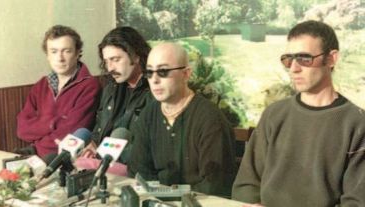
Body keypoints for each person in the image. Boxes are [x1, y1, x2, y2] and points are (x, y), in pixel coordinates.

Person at [232, 20, 365, 206]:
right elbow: (246, 184)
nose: (293, 68)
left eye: (304, 58)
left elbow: (356, 202)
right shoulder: (274, 115)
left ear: (331, 59)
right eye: (288, 59)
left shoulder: (357, 124)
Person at [128, 42, 237, 197]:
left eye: (163, 71)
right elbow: (138, 170)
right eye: (149, 72)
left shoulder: (210, 119)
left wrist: (171, 197)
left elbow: (215, 185)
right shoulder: (149, 114)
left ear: (186, 74)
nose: (154, 80)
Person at [16, 25, 101, 158]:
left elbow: (71, 133)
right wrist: (53, 123)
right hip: (35, 157)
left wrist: (37, 141)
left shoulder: (90, 86)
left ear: (78, 53)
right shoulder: (40, 85)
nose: (60, 58)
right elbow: (22, 130)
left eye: (66, 51)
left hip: (67, 161)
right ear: (47, 55)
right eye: (54, 51)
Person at [80, 26, 152, 164]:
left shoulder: (155, 91)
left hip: (132, 171)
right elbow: (99, 126)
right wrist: (94, 145)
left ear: (136, 56)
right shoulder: (110, 89)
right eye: (106, 61)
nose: (110, 68)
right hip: (104, 166)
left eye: (115, 59)